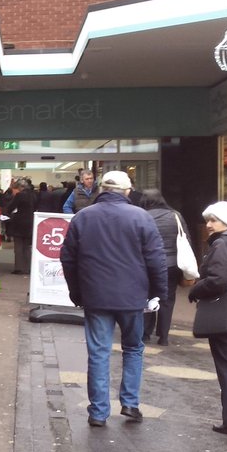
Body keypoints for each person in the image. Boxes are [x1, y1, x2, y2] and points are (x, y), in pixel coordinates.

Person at [61, 170, 166, 428]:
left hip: (95, 296)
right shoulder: (141, 217)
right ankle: (130, 403)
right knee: (133, 348)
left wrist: (76, 291)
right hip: (133, 296)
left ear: (101, 189)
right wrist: (158, 293)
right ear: (127, 191)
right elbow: (156, 260)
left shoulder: (83, 217)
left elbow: (68, 258)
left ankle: (98, 412)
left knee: (98, 352)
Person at [188, 201, 227, 437]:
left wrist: (195, 290)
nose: (209, 225)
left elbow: (218, 280)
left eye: (214, 220)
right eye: (208, 220)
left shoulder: (223, 243)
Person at [138, 189, 188, 345]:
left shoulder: (141, 216)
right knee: (168, 298)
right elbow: (186, 238)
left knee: (147, 296)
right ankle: (163, 336)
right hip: (171, 264)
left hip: (147, 264)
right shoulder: (176, 216)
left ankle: (145, 333)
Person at [4, 178, 35, 274]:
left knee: (18, 246)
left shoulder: (20, 195)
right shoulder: (34, 195)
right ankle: (28, 267)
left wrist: (8, 213)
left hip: (19, 222)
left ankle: (19, 268)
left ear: (21, 187)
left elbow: (11, 207)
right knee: (27, 247)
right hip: (31, 222)